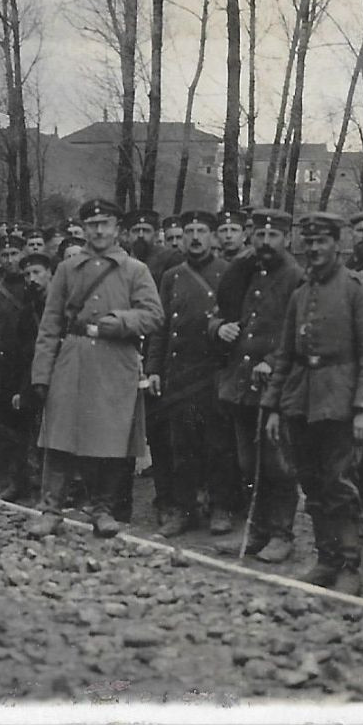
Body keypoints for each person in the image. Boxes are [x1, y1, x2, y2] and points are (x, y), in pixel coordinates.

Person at [261, 212, 363, 595]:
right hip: (301, 400)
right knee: (312, 483)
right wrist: (272, 406)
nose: (314, 249)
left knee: (340, 483)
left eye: (322, 242)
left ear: (338, 243)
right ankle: (326, 559)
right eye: (309, 242)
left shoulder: (358, 288)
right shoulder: (301, 292)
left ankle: (349, 564)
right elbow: (284, 353)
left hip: (340, 401)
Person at [28, 198, 163, 539]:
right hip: (72, 360)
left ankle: (102, 510)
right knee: (59, 439)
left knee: (110, 442)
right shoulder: (67, 269)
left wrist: (119, 321)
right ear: (84, 228)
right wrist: (42, 374)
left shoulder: (135, 270)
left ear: (118, 229)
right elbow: (49, 325)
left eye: (106, 223)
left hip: (115, 362)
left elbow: (154, 315)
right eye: (92, 224)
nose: (99, 230)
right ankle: (50, 510)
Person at [208, 208, 305, 562]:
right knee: (249, 463)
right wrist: (218, 328)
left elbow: (300, 332)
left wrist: (275, 361)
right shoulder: (244, 271)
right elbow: (220, 313)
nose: (265, 243)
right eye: (260, 236)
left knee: (278, 463)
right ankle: (256, 530)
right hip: (241, 382)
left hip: (277, 385)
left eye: (274, 236)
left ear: (287, 239)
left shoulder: (296, 277)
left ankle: (281, 533)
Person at [144, 211, 234, 537]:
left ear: (213, 236)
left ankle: (221, 507)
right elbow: (161, 326)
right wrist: (153, 368)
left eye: (202, 231)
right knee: (181, 447)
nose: (195, 237)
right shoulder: (172, 276)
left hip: (214, 374)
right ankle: (184, 510)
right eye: (189, 231)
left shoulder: (228, 272)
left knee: (218, 446)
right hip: (179, 375)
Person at [0, 248, 47, 501]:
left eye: (14, 253)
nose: (9, 259)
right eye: (4, 254)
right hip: (9, 372)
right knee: (13, 432)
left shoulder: (38, 295)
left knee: (43, 431)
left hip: (38, 368)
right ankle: (17, 481)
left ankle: (43, 485)